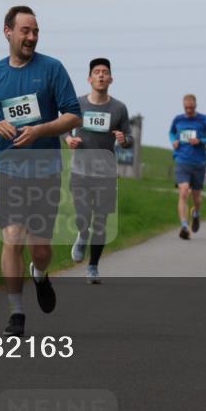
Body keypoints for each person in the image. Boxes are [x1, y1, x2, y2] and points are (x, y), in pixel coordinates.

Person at [0, 5, 81, 337]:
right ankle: (16, 313)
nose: (31, 37)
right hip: (8, 169)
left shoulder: (52, 69)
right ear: (7, 32)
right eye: (25, 31)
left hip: (45, 170)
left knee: (40, 249)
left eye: (36, 31)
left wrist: (41, 130)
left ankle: (40, 275)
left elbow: (73, 115)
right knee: (12, 237)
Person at [65, 58, 132, 283]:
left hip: (106, 173)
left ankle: (93, 266)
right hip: (80, 171)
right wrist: (68, 138)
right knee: (83, 215)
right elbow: (61, 127)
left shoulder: (119, 108)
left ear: (111, 79)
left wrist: (124, 139)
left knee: (101, 222)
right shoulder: (77, 104)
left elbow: (129, 139)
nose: (101, 75)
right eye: (97, 72)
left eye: (105, 72)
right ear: (90, 78)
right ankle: (82, 235)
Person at [169, 95, 206, 239]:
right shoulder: (178, 119)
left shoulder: (203, 120)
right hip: (182, 160)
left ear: (196, 105)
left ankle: (196, 214)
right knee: (184, 191)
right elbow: (171, 132)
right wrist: (174, 141)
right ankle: (184, 226)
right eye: (186, 108)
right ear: (183, 106)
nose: (189, 110)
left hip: (199, 162)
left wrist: (200, 140)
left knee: (196, 197)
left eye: (191, 107)